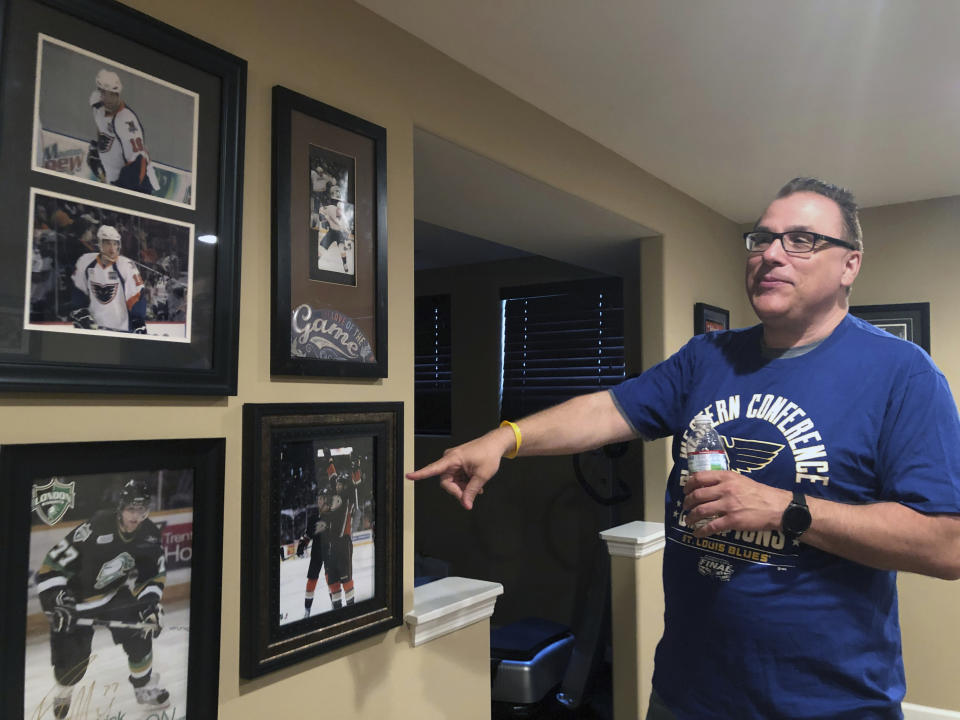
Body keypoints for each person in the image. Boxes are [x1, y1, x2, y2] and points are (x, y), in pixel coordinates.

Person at [407, 177, 960, 719]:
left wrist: (785, 510)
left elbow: (944, 544)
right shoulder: (707, 357)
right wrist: (505, 439)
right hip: (686, 693)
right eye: (761, 238)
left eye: (800, 240)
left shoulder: (902, 373)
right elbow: (609, 409)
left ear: (850, 264)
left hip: (828, 703)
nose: (771, 254)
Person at [36, 479, 169, 718]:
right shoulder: (96, 527)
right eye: (131, 509)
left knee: (141, 632)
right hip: (75, 601)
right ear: (120, 508)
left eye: (142, 510)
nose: (136, 517)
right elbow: (51, 567)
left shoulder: (149, 534)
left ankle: (143, 689)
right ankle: (64, 691)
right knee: (72, 664)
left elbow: (152, 576)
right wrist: (58, 601)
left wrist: (149, 607)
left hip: (112, 595)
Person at [87, 69, 159, 195]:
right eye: (101, 91)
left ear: (117, 94)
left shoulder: (126, 121)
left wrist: (120, 191)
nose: (104, 96)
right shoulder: (96, 102)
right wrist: (98, 147)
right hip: (113, 180)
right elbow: (101, 125)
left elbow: (138, 163)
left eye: (109, 93)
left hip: (139, 185)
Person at [70, 224, 148, 334]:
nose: (112, 248)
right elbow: (79, 290)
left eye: (115, 243)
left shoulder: (126, 265)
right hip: (95, 328)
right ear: (100, 243)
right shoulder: (85, 262)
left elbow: (136, 296)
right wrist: (80, 310)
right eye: (108, 243)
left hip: (122, 329)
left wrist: (138, 320)